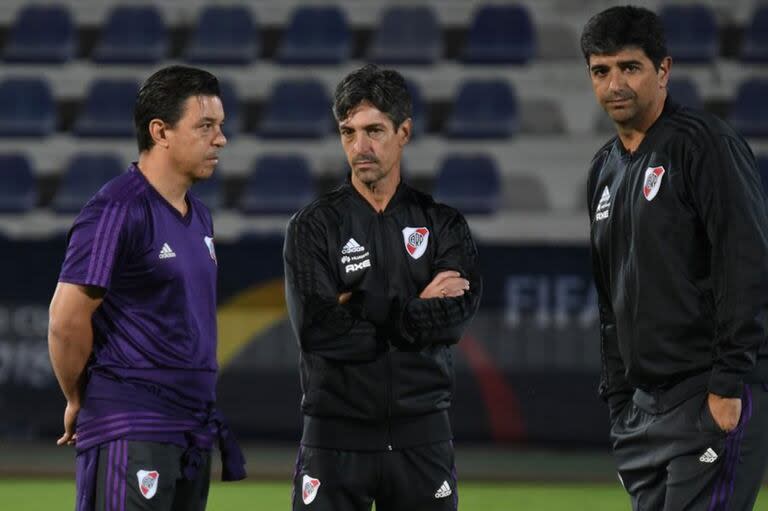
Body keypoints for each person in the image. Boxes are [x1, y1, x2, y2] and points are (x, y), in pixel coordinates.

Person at [582, 6, 768, 510]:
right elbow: (608, 296)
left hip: (709, 393)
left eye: (630, 67)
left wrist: (728, 382)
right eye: (601, 71)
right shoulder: (604, 169)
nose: (615, 84)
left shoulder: (704, 146)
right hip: (644, 411)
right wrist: (620, 401)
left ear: (663, 70)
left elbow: (745, 262)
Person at [283, 64, 482, 511]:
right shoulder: (313, 227)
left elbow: (455, 318)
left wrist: (361, 307)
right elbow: (316, 329)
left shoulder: (443, 223)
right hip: (333, 440)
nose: (360, 146)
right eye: (348, 132)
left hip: (422, 437)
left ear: (404, 131)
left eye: (374, 130)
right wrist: (415, 311)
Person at [47, 65, 245, 511]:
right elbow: (65, 321)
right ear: (161, 132)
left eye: (221, 126)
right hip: (132, 426)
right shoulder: (117, 209)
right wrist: (79, 397)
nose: (221, 139)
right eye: (206, 126)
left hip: (191, 430)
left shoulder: (201, 216)